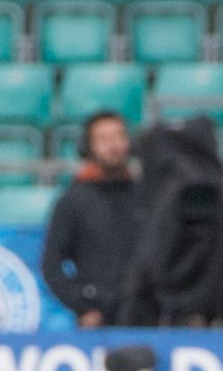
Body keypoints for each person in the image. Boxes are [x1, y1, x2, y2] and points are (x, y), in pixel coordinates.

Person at [41, 110, 149, 326]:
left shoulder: (147, 196)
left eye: (119, 136)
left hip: (146, 314)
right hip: (99, 317)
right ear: (88, 147)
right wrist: (82, 306)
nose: (114, 145)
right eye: (104, 139)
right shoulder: (73, 200)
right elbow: (52, 265)